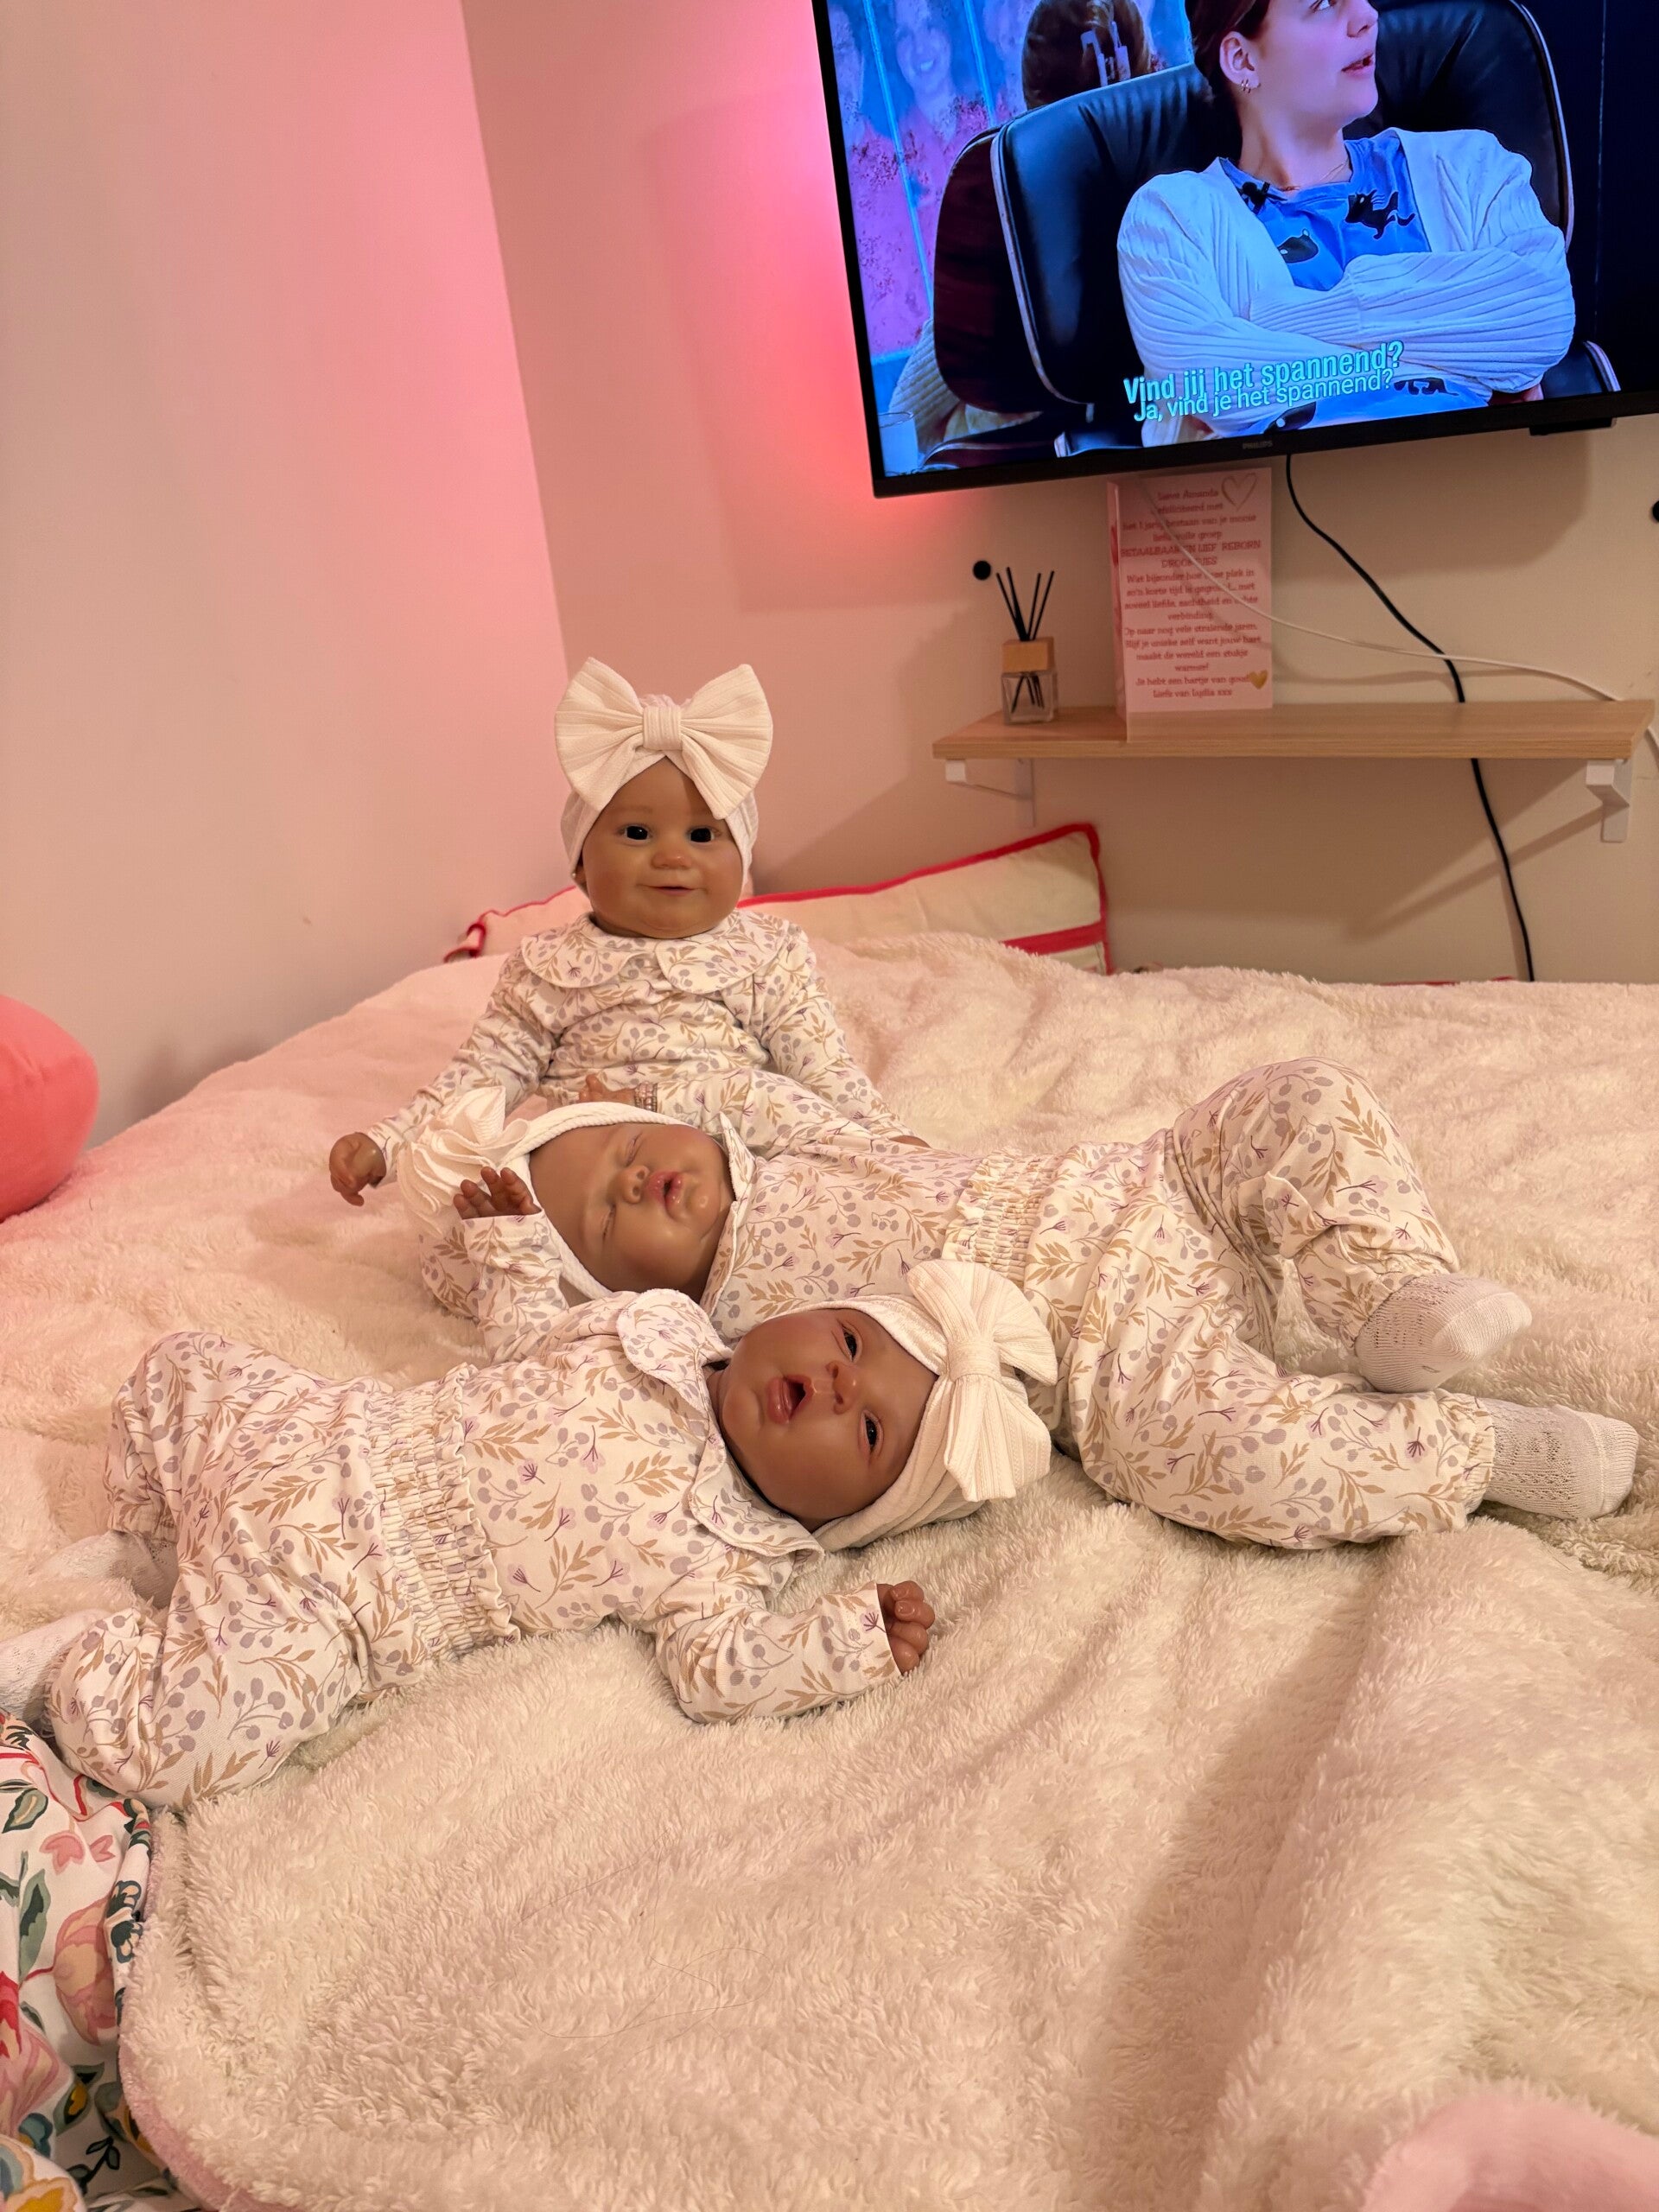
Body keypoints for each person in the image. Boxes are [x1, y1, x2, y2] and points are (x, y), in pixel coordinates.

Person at [400, 1057, 1638, 1554]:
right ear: (617, 1284)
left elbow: (714, 1065)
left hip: (1157, 1178)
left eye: (626, 1143)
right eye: (604, 1214)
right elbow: (548, 1358)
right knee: (1237, 1461)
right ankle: (1482, 1448)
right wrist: (486, 1230)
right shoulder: (723, 1339)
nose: (634, 1176)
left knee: (1302, 1098)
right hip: (1103, 1352)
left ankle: (1387, 1295)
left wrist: (570, 1093)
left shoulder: (787, 1137)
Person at [0, 1259, 1055, 1808]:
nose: (835, 1379)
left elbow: (720, 1674)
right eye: (851, 1339)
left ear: (849, 1518)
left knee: (193, 1740)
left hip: (345, 1592)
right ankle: (159, 1541)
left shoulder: (726, 1552)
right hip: (328, 1428)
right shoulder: (653, 1322)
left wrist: (846, 1641)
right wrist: (506, 1245)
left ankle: (76, 1660)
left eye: (867, 1430)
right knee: (183, 1364)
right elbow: (524, 1338)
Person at [327, 658, 918, 1224]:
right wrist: (389, 1142)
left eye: (703, 835)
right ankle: (524, 1246)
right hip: (594, 1173)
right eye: (637, 832)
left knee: (797, 1174)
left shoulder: (765, 956)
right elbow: (483, 1076)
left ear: (742, 859)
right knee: (480, 1196)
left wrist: (889, 1141)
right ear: (580, 866)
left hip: (725, 1161)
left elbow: (822, 1069)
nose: (673, 855)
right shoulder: (548, 968)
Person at [1116, 0, 1576, 443]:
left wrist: (1278, 317)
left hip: (1473, 482)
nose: (1368, 17)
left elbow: (1543, 316)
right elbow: (1209, 387)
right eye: (1323, 3)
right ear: (1242, 60)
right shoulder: (1170, 218)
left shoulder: (1470, 166)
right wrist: (1459, 375)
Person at [830, 3, 931, 357]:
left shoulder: (904, 165)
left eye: (843, 51)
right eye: (828, 55)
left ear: (860, 66)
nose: (836, 69)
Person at [887, 0, 991, 269]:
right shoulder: (890, 154)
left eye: (929, 25)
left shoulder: (992, 115)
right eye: (904, 34)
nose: (919, 47)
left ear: (949, 29)